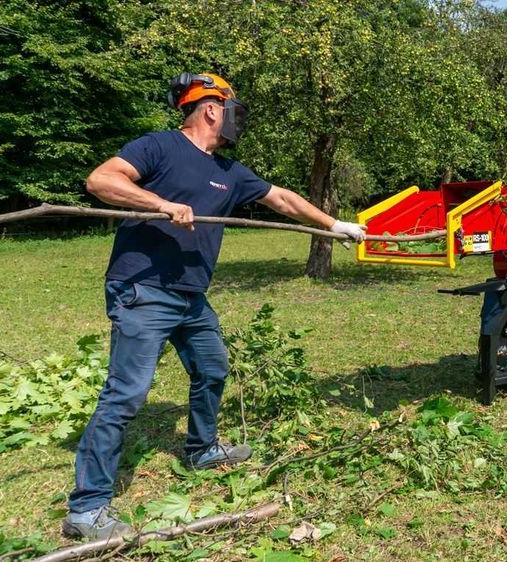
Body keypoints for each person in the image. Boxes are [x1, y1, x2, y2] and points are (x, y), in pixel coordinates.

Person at [62, 73, 367, 540]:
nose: (235, 117)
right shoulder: (159, 147)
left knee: (213, 367)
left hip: (190, 296)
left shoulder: (229, 171)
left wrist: (333, 224)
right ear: (210, 109)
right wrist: (160, 203)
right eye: (231, 107)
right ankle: (86, 509)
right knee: (126, 394)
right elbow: (101, 180)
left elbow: (282, 199)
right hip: (144, 289)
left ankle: (201, 449)